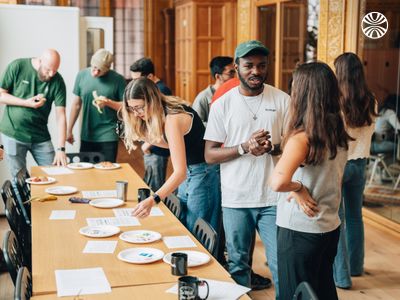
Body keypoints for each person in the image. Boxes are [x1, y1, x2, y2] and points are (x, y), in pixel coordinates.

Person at [204, 40, 290, 298]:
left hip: (274, 198)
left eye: (261, 66)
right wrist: (244, 147)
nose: (256, 71)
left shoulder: (283, 100)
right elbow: (209, 155)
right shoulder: (223, 104)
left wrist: (271, 146)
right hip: (236, 197)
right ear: (237, 66)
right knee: (238, 265)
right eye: (249, 65)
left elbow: (295, 145)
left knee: (280, 264)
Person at [269, 62, 350, 300]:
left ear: (302, 93)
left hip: (299, 229)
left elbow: (278, 182)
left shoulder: (302, 137)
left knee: (294, 295)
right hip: (329, 226)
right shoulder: (338, 128)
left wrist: (298, 188)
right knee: (322, 290)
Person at [121, 77, 221, 234]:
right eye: (132, 109)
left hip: (203, 172)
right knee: (186, 224)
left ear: (152, 100)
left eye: (139, 107)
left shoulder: (173, 118)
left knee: (197, 231)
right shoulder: (163, 110)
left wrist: (153, 199)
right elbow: (173, 145)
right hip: (191, 170)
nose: (136, 113)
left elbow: (179, 173)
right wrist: (146, 136)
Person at [333, 52, 378, 289]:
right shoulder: (371, 99)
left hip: (340, 164)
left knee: (337, 219)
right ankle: (356, 266)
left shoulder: (335, 101)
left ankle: (341, 276)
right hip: (361, 164)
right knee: (355, 217)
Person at [0, 49, 67, 177]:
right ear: (40, 61)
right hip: (13, 133)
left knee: (57, 174)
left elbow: (61, 115)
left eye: (55, 70)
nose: (51, 74)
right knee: (20, 180)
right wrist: (27, 103)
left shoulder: (58, 81)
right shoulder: (17, 66)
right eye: (48, 70)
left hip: (40, 135)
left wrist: (61, 148)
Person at [67, 49, 126, 162]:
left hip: (108, 134)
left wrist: (108, 102)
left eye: (100, 71)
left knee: (106, 173)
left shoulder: (118, 80)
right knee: (85, 174)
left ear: (108, 69)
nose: (95, 72)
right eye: (94, 68)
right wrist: (69, 130)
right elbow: (76, 105)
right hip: (87, 134)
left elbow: (126, 107)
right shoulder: (82, 75)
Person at [129, 57, 172, 191]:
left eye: (137, 79)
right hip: (152, 143)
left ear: (150, 76)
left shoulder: (161, 90)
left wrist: (147, 144)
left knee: (155, 186)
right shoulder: (152, 88)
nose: (135, 83)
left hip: (157, 147)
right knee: (150, 181)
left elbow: (161, 123)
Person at [192, 56, 235, 126]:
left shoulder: (234, 94)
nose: (234, 77)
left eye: (234, 72)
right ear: (218, 76)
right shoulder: (203, 98)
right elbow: (196, 124)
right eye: (231, 73)